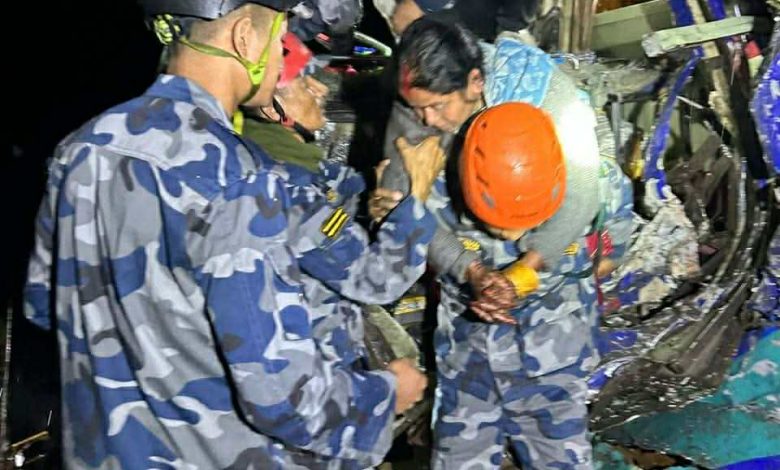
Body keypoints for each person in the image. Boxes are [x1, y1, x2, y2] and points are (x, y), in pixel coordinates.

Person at [22, 1, 439, 467]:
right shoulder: (240, 179)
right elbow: (282, 396)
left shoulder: (81, 150)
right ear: (245, 37)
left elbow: (44, 305)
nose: (282, 58)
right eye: (279, 41)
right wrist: (385, 394)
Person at [371, 18, 634, 468]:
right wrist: (470, 270)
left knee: (559, 454)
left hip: (550, 323)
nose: (427, 120)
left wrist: (523, 274)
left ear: (475, 82)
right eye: (418, 109)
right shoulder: (415, 106)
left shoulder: (545, 94)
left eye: (438, 107)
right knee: (460, 455)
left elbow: (582, 192)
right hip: (468, 328)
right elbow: (406, 213)